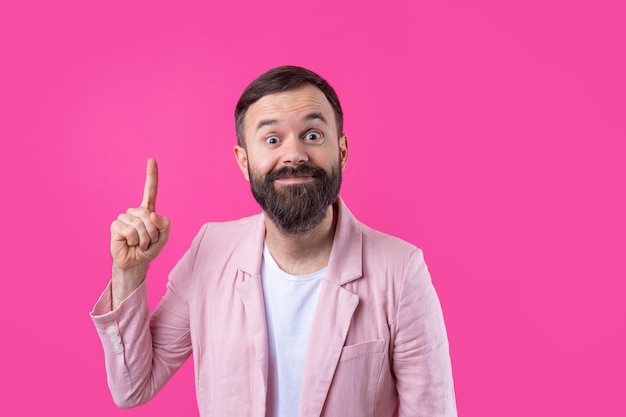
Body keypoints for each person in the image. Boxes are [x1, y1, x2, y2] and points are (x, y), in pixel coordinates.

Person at [91, 66, 457, 416]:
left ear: (342, 152)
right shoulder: (210, 251)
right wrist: (129, 273)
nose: (294, 154)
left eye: (313, 135)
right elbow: (132, 386)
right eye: (271, 139)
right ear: (244, 161)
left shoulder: (400, 270)